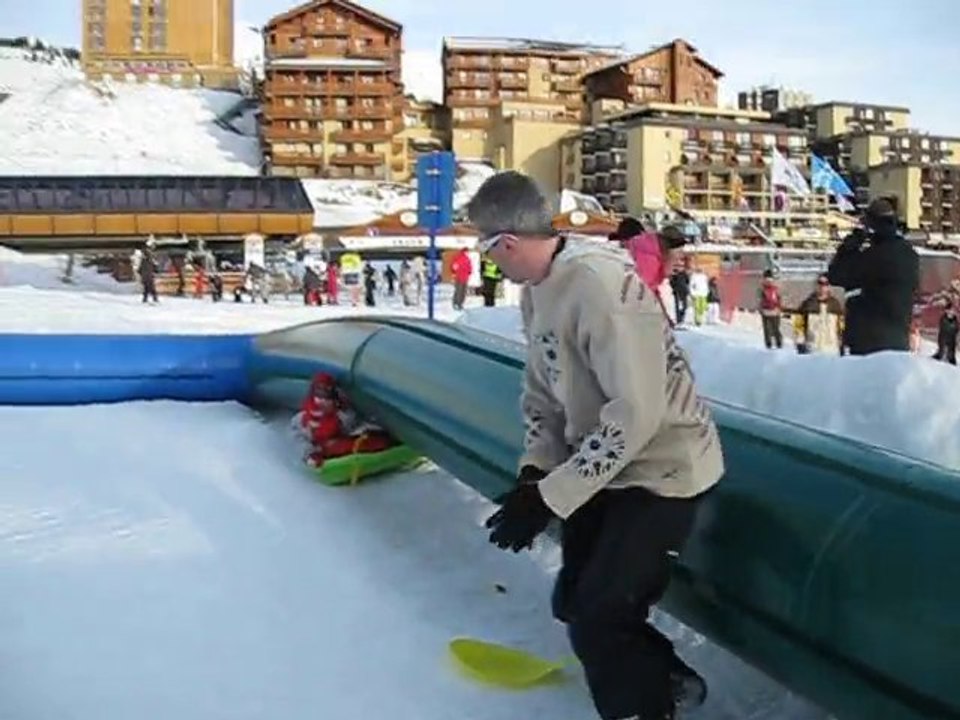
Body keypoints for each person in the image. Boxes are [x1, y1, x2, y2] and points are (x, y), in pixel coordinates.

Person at [467, 171, 724, 720]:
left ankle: (643, 708)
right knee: (574, 602)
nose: (491, 264)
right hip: (604, 462)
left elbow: (637, 415)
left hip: (663, 469)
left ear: (506, 243)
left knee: (601, 613)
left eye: (486, 252)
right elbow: (543, 393)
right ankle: (666, 679)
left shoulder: (600, 289)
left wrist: (552, 497)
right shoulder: (537, 292)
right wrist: (536, 471)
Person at [827, 198, 920, 355]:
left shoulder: (873, 257)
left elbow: (836, 275)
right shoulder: (910, 255)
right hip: (899, 340)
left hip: (869, 341)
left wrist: (851, 245)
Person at [795, 274, 844, 355]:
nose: (822, 286)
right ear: (816, 285)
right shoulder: (807, 304)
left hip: (832, 350)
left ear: (829, 286)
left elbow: (841, 326)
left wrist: (842, 343)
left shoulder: (835, 304)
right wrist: (800, 341)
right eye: (820, 283)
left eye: (826, 284)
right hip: (812, 349)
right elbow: (799, 325)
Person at [758, 270, 783, 349]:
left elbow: (760, 299)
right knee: (772, 329)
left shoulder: (764, 288)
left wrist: (760, 308)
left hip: (769, 311)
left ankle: (772, 343)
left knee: (770, 329)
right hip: (771, 310)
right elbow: (779, 298)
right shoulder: (774, 287)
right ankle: (775, 343)